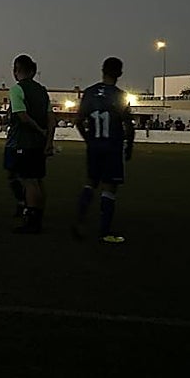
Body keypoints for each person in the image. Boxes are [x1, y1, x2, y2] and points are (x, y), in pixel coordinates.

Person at [73, 57, 135, 243]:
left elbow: (78, 121)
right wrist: (129, 146)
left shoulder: (90, 93)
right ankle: (105, 232)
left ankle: (79, 221)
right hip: (112, 147)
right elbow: (128, 126)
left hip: (95, 146)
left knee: (90, 182)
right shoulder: (120, 95)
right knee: (109, 188)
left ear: (102, 70)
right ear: (120, 73)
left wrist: (88, 140)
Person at [8, 54, 56, 234]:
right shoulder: (42, 91)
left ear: (16, 70)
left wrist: (39, 130)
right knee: (38, 180)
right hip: (40, 144)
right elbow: (52, 119)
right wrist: (48, 140)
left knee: (29, 181)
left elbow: (22, 116)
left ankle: (32, 221)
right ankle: (38, 217)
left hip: (25, 142)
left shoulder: (16, 90)